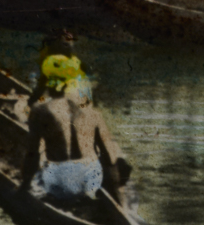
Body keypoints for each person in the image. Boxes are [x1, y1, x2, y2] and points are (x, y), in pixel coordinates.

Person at [23, 54, 133, 205]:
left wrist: (23, 189)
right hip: (91, 180)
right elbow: (109, 157)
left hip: (61, 184)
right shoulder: (89, 109)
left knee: (42, 167)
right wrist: (120, 202)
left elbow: (32, 154)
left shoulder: (39, 110)